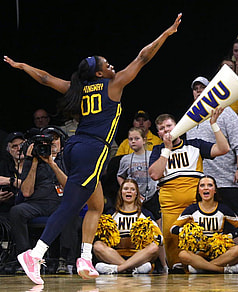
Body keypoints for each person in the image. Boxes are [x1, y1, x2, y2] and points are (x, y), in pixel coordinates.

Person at [4, 13, 182, 284]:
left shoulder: (79, 89)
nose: (111, 64)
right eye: (106, 64)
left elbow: (45, 78)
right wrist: (167, 34)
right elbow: (143, 57)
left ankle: (85, 257)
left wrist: (22, 66)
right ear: (100, 73)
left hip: (75, 146)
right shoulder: (114, 84)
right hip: (93, 150)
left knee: (96, 204)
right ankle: (35, 254)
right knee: (71, 205)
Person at [148, 109, 229, 272]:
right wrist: (167, 149)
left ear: (178, 126)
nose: (167, 130)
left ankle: (203, 266)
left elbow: (223, 148)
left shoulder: (195, 144)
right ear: (158, 133)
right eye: (162, 128)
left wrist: (213, 125)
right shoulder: (158, 151)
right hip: (169, 208)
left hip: (195, 205)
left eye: (169, 126)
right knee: (173, 249)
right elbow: (155, 174)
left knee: (198, 241)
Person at [9, 127, 79, 275]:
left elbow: (70, 188)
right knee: (17, 211)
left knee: (71, 211)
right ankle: (26, 259)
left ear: (61, 142)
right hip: (36, 204)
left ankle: (65, 260)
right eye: (48, 139)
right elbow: (27, 192)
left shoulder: (66, 160)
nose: (52, 142)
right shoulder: (31, 160)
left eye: (55, 139)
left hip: (59, 204)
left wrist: (52, 163)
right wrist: (34, 162)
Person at [187, 76, 238, 220]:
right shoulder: (190, 116)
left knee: (231, 224)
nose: (198, 92)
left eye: (202, 89)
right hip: (201, 182)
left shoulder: (225, 112)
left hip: (226, 180)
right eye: (195, 90)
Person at [170, 176, 238, 274]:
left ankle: (202, 268)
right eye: (202, 185)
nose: (206, 188)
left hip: (218, 252)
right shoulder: (192, 209)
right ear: (198, 191)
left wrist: (227, 237)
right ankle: (221, 269)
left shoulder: (223, 209)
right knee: (183, 255)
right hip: (198, 252)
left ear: (215, 190)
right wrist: (189, 232)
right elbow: (173, 228)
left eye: (210, 185)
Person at [94, 179, 162, 274]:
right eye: (126, 189)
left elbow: (161, 239)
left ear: (137, 194)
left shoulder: (145, 214)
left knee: (154, 247)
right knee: (97, 245)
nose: (129, 191)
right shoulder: (111, 214)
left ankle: (117, 269)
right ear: (121, 192)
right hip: (115, 255)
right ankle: (132, 268)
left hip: (139, 256)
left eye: (132, 189)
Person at [117, 127, 160, 222]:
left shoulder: (153, 155)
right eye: (130, 139)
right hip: (134, 197)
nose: (133, 141)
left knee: (157, 218)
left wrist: (159, 184)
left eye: (137, 138)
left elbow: (161, 171)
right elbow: (120, 176)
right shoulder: (125, 159)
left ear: (144, 140)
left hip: (152, 195)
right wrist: (125, 187)